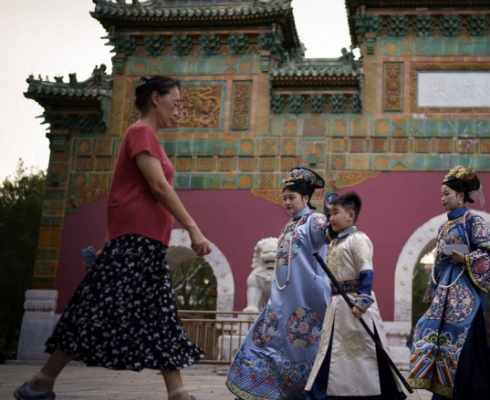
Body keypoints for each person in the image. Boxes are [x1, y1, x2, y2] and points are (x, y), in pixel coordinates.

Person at [14, 75, 211, 400]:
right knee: (93, 311)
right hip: (134, 244)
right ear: (155, 99)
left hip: (145, 245)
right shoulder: (141, 132)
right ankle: (40, 381)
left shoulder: (149, 137)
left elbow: (127, 195)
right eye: (175, 103)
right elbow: (159, 187)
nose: (178, 112)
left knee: (161, 316)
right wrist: (193, 228)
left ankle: (177, 393)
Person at [226, 167, 331, 400]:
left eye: (291, 197)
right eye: (284, 198)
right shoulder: (288, 226)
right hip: (281, 301)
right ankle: (257, 389)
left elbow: (332, 233)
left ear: (306, 198)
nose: (286, 202)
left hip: (306, 303)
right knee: (263, 343)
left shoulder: (315, 221)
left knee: (303, 351)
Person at [408, 166, 490, 400]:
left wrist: (467, 258)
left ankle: (465, 392)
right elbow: (438, 264)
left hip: (466, 297)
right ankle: (444, 391)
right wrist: (434, 291)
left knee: (462, 343)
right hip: (445, 294)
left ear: (461, 196)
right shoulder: (443, 227)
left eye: (447, 194)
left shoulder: (473, 221)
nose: (442, 199)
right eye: (441, 194)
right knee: (440, 339)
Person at [305, 192, 405, 400]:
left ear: (350, 216)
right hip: (337, 306)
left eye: (336, 213)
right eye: (329, 213)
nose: (330, 217)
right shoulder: (333, 243)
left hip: (355, 306)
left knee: (364, 354)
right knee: (331, 353)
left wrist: (362, 302)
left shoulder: (359, 239)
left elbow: (366, 271)